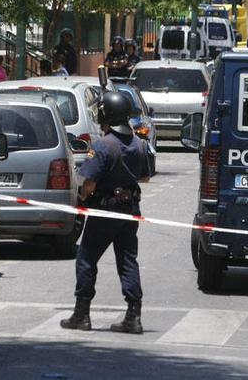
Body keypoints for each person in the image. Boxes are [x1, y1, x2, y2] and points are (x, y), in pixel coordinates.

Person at [60, 92, 152, 335]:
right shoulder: (139, 144)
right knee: (127, 259)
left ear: (106, 115)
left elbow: (89, 182)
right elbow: (144, 176)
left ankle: (82, 314)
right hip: (130, 209)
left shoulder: (103, 144)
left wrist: (81, 200)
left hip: (106, 209)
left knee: (87, 258)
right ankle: (134, 315)